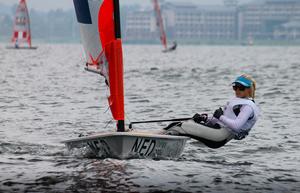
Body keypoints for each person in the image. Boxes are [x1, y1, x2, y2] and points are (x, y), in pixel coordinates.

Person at [164, 74, 259, 148]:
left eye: (241, 88)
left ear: (249, 89)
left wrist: (220, 116)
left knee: (179, 126)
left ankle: (154, 137)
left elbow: (236, 126)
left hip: (219, 136)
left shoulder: (248, 107)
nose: (237, 90)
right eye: (235, 87)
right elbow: (222, 121)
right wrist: (205, 119)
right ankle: (162, 140)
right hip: (217, 132)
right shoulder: (239, 102)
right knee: (177, 125)